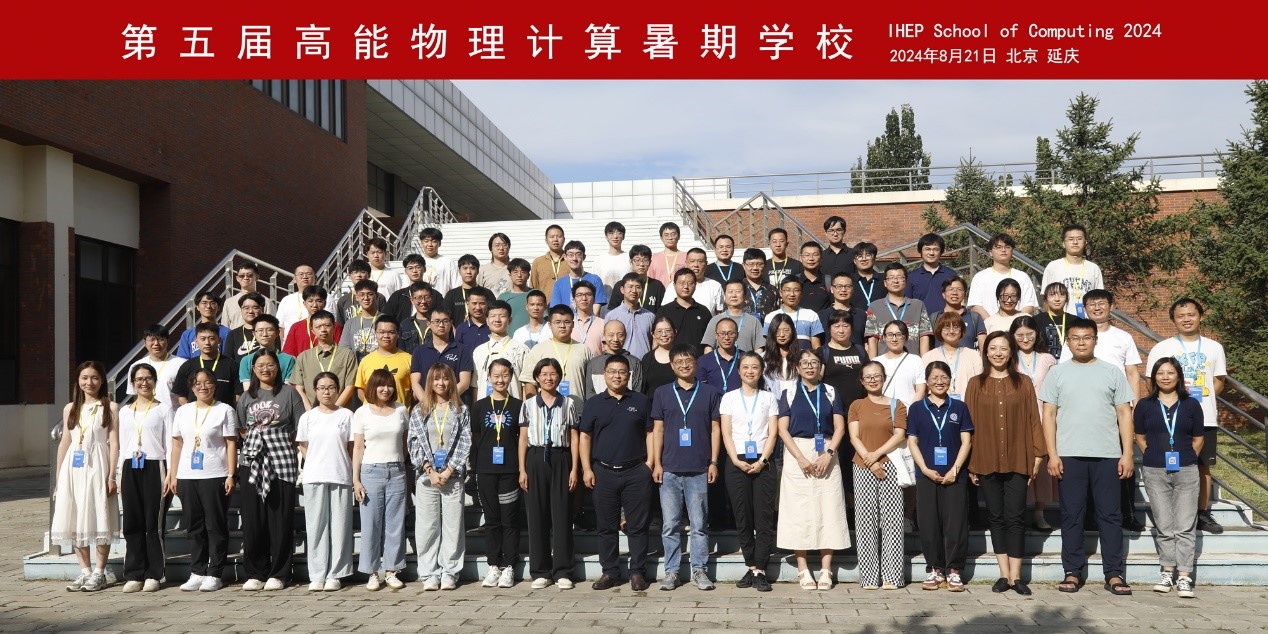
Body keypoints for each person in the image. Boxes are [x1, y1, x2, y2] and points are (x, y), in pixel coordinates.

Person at [1040, 317, 1136, 596]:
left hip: (1107, 455)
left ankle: (1114, 573)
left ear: (1095, 340)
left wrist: (1127, 454)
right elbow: (1048, 415)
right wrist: (1052, 455)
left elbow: (1124, 414)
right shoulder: (1057, 373)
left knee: (1110, 515)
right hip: (1069, 455)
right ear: (1067, 342)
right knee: (1072, 515)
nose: (1081, 343)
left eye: (1086, 337)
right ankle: (1072, 571)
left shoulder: (1112, 372)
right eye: (1075, 338)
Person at [964, 332, 1045, 595]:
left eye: (1003, 348)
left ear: (1011, 352)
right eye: (993, 348)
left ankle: (1017, 576)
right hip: (985, 458)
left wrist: (1037, 455)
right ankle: (1003, 574)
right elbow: (968, 426)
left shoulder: (1023, 382)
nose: (998, 353)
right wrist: (971, 462)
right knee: (995, 517)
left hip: (1018, 457)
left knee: (1016, 516)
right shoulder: (976, 384)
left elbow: (1034, 419)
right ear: (986, 352)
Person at [1058, 289, 1145, 532]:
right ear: (1084, 308)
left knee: (1122, 462)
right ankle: (1089, 516)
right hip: (1083, 411)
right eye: (1092, 304)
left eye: (1102, 303)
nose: (1097, 308)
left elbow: (1132, 373)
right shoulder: (1075, 337)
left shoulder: (1123, 337)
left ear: (1111, 306)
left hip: (1117, 409)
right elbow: (1065, 369)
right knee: (1086, 465)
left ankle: (1127, 514)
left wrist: (1134, 404)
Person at [1144, 297, 1227, 535]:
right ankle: (1169, 512)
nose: (1186, 319)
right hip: (1169, 417)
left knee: (1202, 467)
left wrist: (1196, 402)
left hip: (1204, 416)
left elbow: (1219, 381)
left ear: (1200, 316)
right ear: (1173, 320)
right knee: (1166, 466)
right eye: (1181, 316)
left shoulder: (1214, 347)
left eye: (1191, 314)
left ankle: (1202, 513)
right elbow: (1151, 381)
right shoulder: (1162, 348)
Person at [777, 349, 850, 590]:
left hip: (827, 450)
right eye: (805, 363)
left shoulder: (830, 391)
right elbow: (782, 429)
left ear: (821, 367)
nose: (809, 366)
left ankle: (826, 569)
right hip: (797, 451)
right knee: (798, 509)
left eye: (814, 362)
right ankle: (803, 568)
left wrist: (829, 453)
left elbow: (840, 427)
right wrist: (799, 458)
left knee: (829, 507)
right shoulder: (788, 393)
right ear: (797, 367)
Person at [581, 354, 655, 591]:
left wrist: (650, 463)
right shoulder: (593, 403)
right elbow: (585, 437)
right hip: (603, 472)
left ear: (629, 375)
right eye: (612, 371)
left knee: (637, 526)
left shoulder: (641, 401)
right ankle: (610, 572)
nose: (617, 376)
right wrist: (586, 468)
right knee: (606, 526)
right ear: (604, 375)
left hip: (636, 472)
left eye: (622, 372)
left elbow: (650, 433)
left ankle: (637, 572)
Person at [651, 344, 721, 591]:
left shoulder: (710, 392)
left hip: (699, 468)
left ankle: (699, 570)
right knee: (670, 524)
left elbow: (715, 429)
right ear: (672, 365)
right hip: (669, 468)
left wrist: (713, 462)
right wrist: (657, 463)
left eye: (688, 360)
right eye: (678, 361)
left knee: (699, 524)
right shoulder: (662, 393)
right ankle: (671, 572)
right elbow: (657, 430)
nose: (684, 365)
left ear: (696, 363)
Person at [235, 349, 304, 591]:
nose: (266, 369)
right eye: (260, 365)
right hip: (252, 461)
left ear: (278, 367)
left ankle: (280, 573)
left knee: (280, 518)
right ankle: (256, 572)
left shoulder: (289, 393)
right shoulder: (247, 396)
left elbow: (299, 427)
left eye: (270, 364)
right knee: (253, 519)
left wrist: (278, 443)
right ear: (253, 369)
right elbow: (242, 428)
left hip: (281, 460)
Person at [1135, 357, 1204, 599]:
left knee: (1185, 525)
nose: (1165, 377)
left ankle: (1184, 576)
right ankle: (1167, 571)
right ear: (1154, 377)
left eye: (1170, 372)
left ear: (1179, 376)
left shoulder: (1191, 404)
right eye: (1160, 373)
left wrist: (1186, 457)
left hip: (1186, 469)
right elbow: (1140, 437)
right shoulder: (1145, 405)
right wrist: (1153, 455)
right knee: (1164, 525)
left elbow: (1198, 439)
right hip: (1155, 470)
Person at [166, 368, 238, 593]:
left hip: (214, 474)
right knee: (194, 526)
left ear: (215, 385)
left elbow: (231, 443)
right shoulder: (183, 411)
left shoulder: (224, 410)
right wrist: (173, 474)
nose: (203, 386)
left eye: (208, 382)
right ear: (191, 387)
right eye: (197, 383)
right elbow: (177, 444)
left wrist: (231, 474)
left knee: (215, 525)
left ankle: (215, 573)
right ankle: (197, 571)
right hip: (187, 475)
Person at [53, 361, 121, 593]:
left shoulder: (110, 407)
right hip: (74, 468)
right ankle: (84, 571)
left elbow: (114, 443)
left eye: (94, 378)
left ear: (101, 380)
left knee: (101, 516)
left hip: (98, 465)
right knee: (75, 516)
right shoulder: (70, 408)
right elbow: (65, 443)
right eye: (84, 378)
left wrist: (112, 475)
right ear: (78, 381)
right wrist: (59, 478)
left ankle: (99, 573)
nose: (89, 382)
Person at [907, 361, 973, 592]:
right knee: (929, 523)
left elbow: (966, 441)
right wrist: (925, 469)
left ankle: (954, 570)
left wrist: (955, 469)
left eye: (944, 377)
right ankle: (935, 569)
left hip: (955, 475)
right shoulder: (917, 408)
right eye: (934, 378)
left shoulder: (959, 407)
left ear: (950, 380)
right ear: (927, 381)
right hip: (926, 475)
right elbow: (912, 441)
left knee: (956, 523)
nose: (939, 381)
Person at [518, 358, 582, 590]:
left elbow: (574, 437)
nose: (548, 378)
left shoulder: (569, 403)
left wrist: (574, 469)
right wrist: (522, 469)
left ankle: (563, 570)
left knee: (562, 515)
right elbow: (522, 439)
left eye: (553, 373)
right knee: (537, 515)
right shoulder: (528, 404)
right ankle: (541, 571)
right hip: (535, 458)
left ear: (559, 377)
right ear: (536, 378)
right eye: (544, 374)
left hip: (561, 458)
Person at [408, 363, 473, 591]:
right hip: (427, 478)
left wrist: (448, 470)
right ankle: (429, 574)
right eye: (436, 379)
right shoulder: (420, 410)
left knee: (453, 527)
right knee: (427, 527)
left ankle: (450, 572)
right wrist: (429, 470)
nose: (441, 383)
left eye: (445, 378)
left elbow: (465, 442)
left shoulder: (461, 410)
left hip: (452, 477)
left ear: (452, 381)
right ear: (430, 382)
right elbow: (413, 442)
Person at [718, 352, 778, 592]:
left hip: (763, 461)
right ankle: (750, 565)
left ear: (761, 371)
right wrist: (735, 459)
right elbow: (726, 432)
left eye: (755, 367)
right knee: (742, 516)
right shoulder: (729, 398)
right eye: (745, 367)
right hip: (737, 461)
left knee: (764, 516)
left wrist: (763, 460)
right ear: (739, 371)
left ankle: (761, 569)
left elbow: (773, 433)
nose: (750, 371)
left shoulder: (769, 397)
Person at [848, 361, 908, 590]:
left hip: (890, 464)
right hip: (862, 465)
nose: (873, 380)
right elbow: (854, 437)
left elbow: (899, 435)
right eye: (868, 377)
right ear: (862, 381)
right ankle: (869, 577)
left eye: (877, 376)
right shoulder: (856, 405)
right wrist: (870, 460)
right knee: (865, 521)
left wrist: (877, 455)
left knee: (893, 520)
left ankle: (892, 576)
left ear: (884, 378)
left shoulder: (897, 405)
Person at [296, 372, 355, 592]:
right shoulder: (307, 417)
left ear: (338, 390)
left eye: (331, 387)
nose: (326, 392)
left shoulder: (347, 415)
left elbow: (352, 447)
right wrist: (315, 461)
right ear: (315, 391)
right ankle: (317, 574)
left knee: (340, 527)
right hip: (314, 476)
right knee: (316, 527)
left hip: (340, 474)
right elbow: (304, 446)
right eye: (321, 388)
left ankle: (336, 574)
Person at [352, 369, 410, 591]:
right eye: (381, 385)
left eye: (389, 385)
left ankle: (392, 570)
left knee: (395, 524)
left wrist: (402, 464)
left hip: (396, 470)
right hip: (371, 471)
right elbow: (358, 447)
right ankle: (372, 572)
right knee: (371, 524)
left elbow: (405, 443)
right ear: (372, 387)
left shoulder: (401, 410)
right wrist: (356, 479)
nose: (386, 389)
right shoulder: (362, 413)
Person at [117, 363, 171, 592]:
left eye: (148, 378)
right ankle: (134, 573)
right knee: (132, 522)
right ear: (132, 383)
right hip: (130, 466)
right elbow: (122, 445)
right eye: (139, 379)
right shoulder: (124, 411)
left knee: (153, 522)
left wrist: (170, 473)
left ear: (154, 381)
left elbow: (170, 443)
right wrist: (119, 474)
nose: (144, 383)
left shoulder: (163, 409)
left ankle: (154, 573)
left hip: (155, 465)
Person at [472, 359, 523, 589]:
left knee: (509, 519)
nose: (500, 379)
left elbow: (522, 438)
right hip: (486, 470)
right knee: (491, 519)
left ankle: (510, 565)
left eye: (505, 375)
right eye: (496, 375)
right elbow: (476, 437)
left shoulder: (519, 406)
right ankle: (494, 565)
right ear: (489, 377)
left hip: (510, 470)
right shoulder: (479, 406)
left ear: (511, 377)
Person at [1011, 316, 1060, 531]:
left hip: (1043, 418)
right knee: (1018, 466)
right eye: (1020, 335)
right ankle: (1017, 513)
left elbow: (1056, 389)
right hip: (1016, 419)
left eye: (1029, 334)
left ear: (1036, 334)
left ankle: (1040, 513)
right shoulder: (1009, 358)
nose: (1025, 339)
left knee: (1042, 468)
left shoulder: (1047, 359)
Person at [520, 304, 593, 399]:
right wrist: (534, 405)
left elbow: (591, 384)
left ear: (573, 324)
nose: (562, 326)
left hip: (577, 406)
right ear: (550, 325)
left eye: (567, 322)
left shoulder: (583, 349)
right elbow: (529, 382)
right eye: (557, 322)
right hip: (546, 406)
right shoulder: (538, 349)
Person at [290, 310, 358, 410]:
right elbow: (299, 388)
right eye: (318, 327)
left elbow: (350, 386)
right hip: (312, 412)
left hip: (340, 412)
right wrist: (310, 411)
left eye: (327, 326)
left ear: (334, 327)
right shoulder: (304, 357)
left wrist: (335, 410)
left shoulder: (347, 355)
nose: (323, 330)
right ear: (312, 330)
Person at [865, 263, 932, 357]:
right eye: (891, 278)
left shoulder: (918, 305)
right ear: (885, 283)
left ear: (906, 281)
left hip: (911, 361)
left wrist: (924, 361)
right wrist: (873, 363)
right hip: (884, 362)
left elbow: (924, 336)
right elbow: (872, 340)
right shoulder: (874, 306)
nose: (895, 281)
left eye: (900, 277)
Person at [967, 233, 1039, 319]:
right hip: (989, 325)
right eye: (998, 247)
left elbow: (1029, 306)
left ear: (1012, 251)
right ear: (990, 252)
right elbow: (976, 306)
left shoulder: (1022, 277)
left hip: (1017, 325)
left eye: (1007, 247)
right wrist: (993, 323)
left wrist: (1014, 323)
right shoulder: (980, 277)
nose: (1003, 250)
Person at [409, 307, 473, 403]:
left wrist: (444, 403)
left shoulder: (462, 350)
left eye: (445, 321)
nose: (441, 325)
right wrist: (427, 403)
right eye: (437, 321)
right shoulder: (419, 351)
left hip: (454, 405)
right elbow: (415, 383)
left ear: (451, 323)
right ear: (429, 324)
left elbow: (465, 383)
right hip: (427, 406)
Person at [1041, 224, 1104, 318]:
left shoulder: (1093, 268)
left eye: (1079, 239)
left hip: (1087, 321)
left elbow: (1099, 298)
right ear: (1063, 243)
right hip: (1062, 321)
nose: (1075, 242)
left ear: (1085, 242)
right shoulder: (1053, 266)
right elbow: (1045, 298)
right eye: (1071, 239)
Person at [471, 300, 529, 400]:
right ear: (487, 320)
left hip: (513, 407)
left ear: (510, 320)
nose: (497, 320)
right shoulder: (478, 351)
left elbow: (526, 386)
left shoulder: (521, 349)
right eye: (493, 316)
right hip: (485, 408)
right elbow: (475, 386)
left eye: (502, 316)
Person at [921, 313, 984, 400]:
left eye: (955, 327)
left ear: (961, 330)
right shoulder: (928, 357)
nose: (951, 331)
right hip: (937, 406)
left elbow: (980, 384)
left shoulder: (973, 355)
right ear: (940, 330)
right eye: (946, 327)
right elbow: (923, 388)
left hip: (967, 404)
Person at [355, 315, 414, 407]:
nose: (386, 336)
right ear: (375, 334)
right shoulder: (366, 360)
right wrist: (376, 407)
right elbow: (360, 390)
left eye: (391, 332)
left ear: (398, 334)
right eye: (381, 332)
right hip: (372, 413)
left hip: (398, 413)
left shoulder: (409, 359)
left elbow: (414, 390)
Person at [172, 323, 237, 406]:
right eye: (203, 339)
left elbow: (238, 395)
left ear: (219, 340)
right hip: (195, 413)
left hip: (223, 413)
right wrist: (191, 410)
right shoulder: (187, 366)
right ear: (196, 341)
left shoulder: (232, 365)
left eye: (211, 338)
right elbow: (181, 396)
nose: (207, 342)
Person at [584, 320, 646, 398]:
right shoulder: (594, 363)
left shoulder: (634, 363)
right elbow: (589, 393)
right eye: (611, 335)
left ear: (625, 336)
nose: (615, 339)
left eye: (620, 335)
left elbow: (637, 392)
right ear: (604, 336)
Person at [704, 279, 766, 354]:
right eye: (730, 292)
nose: (734, 295)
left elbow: (759, 349)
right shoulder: (715, 320)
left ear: (745, 296)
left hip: (746, 361)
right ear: (725, 295)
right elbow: (708, 348)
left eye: (738, 291)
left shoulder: (754, 321)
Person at [127, 325, 182, 409]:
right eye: (152, 339)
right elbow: (135, 396)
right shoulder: (136, 366)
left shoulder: (181, 363)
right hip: (147, 414)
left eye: (161, 339)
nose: (156, 343)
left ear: (167, 341)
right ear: (145, 342)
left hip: (174, 414)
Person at [658, 268, 712, 350]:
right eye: (681, 283)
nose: (686, 287)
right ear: (674, 285)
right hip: (671, 357)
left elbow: (710, 339)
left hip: (698, 357)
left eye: (690, 283)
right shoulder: (664, 311)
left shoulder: (704, 311)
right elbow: (657, 339)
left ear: (695, 285)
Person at [282, 286, 343, 358]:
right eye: (310, 301)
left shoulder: (334, 326)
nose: (314, 305)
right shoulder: (296, 327)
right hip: (302, 364)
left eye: (319, 301)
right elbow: (288, 355)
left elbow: (340, 352)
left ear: (325, 303)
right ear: (304, 304)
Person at [606, 272, 657, 358]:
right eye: (630, 287)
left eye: (638, 287)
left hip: (645, 363)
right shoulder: (612, 316)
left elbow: (654, 343)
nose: (634, 291)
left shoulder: (650, 316)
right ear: (622, 289)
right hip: (621, 363)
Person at [875, 320, 925, 407]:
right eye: (890, 335)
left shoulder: (915, 360)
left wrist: (911, 409)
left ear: (905, 337)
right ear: (884, 337)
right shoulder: (876, 362)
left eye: (898, 335)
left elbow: (920, 390)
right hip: (882, 411)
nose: (894, 339)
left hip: (908, 410)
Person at [928, 276, 986, 350]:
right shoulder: (934, 318)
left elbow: (983, 346)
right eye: (950, 289)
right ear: (943, 294)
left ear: (964, 293)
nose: (955, 293)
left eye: (959, 289)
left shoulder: (974, 317)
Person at [237, 314, 295, 388]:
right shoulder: (246, 360)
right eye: (260, 330)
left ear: (277, 333)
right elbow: (248, 389)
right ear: (254, 334)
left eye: (269, 330)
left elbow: (287, 389)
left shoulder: (288, 360)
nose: (265, 334)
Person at [765, 277, 825, 348]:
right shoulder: (770, 317)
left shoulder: (811, 315)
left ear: (802, 293)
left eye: (796, 290)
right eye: (788, 290)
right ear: (781, 293)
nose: (792, 294)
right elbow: (768, 345)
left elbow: (816, 345)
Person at [551, 241, 607, 316]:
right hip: (567, 322)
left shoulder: (595, 280)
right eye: (571, 255)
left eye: (578, 254)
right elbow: (557, 310)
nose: (574, 258)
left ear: (584, 257)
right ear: (565, 257)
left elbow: (596, 312)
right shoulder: (559, 283)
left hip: (589, 321)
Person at [605, 244, 666, 313]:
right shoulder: (621, 285)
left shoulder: (657, 286)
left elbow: (663, 311)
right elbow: (613, 311)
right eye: (637, 260)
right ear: (631, 262)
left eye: (645, 260)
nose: (641, 264)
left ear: (650, 263)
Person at [906, 233, 957, 314]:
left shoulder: (951, 275)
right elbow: (907, 304)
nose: (931, 253)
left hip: (945, 319)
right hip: (919, 320)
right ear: (920, 251)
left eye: (936, 249)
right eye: (927, 249)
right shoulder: (911, 277)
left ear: (941, 252)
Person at [384, 254, 437, 325]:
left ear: (424, 269)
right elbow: (387, 318)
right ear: (405, 271)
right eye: (410, 268)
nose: (414, 271)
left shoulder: (435, 295)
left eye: (418, 267)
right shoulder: (398, 296)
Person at [221, 261, 276, 329]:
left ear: (257, 277)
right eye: (242, 276)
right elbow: (225, 328)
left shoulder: (266, 302)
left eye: (249, 275)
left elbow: (271, 327)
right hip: (235, 336)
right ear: (237, 278)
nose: (245, 278)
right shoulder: (229, 302)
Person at [761, 314, 804, 400]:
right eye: (777, 331)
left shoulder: (802, 356)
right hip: (773, 402)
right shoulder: (762, 358)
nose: (782, 335)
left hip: (798, 400)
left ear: (792, 331)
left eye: (786, 330)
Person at [340, 279, 384, 360]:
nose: (366, 298)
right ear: (357, 297)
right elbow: (344, 351)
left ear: (377, 296)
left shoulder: (386, 321)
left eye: (370, 294)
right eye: (362, 295)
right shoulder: (350, 323)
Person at [176, 292, 230, 358]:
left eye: (213, 303)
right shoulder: (188, 334)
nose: (208, 306)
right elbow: (182, 359)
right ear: (197, 307)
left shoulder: (228, 333)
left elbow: (230, 358)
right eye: (204, 303)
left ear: (218, 307)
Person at [818, 274, 867, 348]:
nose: (843, 290)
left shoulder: (862, 315)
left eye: (847, 286)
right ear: (832, 289)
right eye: (839, 286)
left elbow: (867, 343)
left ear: (853, 289)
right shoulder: (821, 316)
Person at [696, 318, 742, 393]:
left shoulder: (745, 358)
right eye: (722, 334)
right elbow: (700, 390)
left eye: (731, 333)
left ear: (737, 335)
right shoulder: (704, 361)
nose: (726, 338)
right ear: (716, 335)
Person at [335, 260, 386, 327]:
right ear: (349, 276)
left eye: (362, 272)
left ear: (369, 275)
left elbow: (385, 322)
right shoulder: (343, 300)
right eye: (355, 272)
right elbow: (340, 326)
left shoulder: (378, 297)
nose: (358, 275)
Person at [444, 254, 490, 324]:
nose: (468, 272)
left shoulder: (487, 293)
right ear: (459, 271)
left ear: (478, 271)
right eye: (465, 268)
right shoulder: (451, 295)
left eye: (472, 268)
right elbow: (446, 318)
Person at [277, 264, 317, 341]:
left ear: (315, 278)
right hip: (290, 343)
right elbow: (280, 326)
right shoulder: (286, 300)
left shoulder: (326, 298)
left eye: (308, 274)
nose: (305, 277)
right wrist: (283, 344)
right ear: (294, 279)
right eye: (301, 274)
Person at [222, 292, 265, 364]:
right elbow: (228, 360)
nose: (250, 311)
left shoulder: (268, 332)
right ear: (241, 310)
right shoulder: (233, 334)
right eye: (246, 308)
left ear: (262, 310)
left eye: (255, 308)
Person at [642, 316, 678, 396]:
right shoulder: (647, 358)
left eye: (668, 331)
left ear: (675, 332)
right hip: (652, 402)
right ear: (653, 334)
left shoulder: (681, 356)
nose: (664, 334)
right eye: (659, 331)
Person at [419, 227, 459, 297]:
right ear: (421, 243)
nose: (430, 244)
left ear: (439, 243)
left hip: (443, 301)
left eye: (434, 241)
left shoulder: (448, 262)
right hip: (421, 302)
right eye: (426, 241)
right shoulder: (416, 263)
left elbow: (456, 285)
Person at [1034, 282, 1070, 360]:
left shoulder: (1075, 321)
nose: (1057, 299)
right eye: (1052, 295)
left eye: (1062, 295)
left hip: (1069, 363)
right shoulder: (1036, 320)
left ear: (1066, 299)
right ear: (1045, 299)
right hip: (1044, 363)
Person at [594, 221, 631, 294]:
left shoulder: (630, 259)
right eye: (611, 233)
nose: (615, 236)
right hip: (604, 300)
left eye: (619, 233)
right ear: (606, 237)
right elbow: (595, 284)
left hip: (625, 300)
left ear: (623, 237)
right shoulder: (599, 260)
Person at [740, 248, 779, 317]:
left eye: (759, 264)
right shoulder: (737, 289)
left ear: (765, 265)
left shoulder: (772, 290)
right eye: (751, 264)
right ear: (743, 265)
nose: (755, 268)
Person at [499, 258, 534, 335]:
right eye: (515, 272)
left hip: (533, 338)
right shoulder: (503, 297)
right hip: (510, 338)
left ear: (528, 275)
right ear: (510, 275)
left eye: (523, 272)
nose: (519, 275)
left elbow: (544, 318)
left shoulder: (535, 295)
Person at [570, 280, 606, 355]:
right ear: (574, 300)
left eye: (588, 294)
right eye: (579, 295)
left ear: (594, 299)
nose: (584, 298)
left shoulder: (603, 324)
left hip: (596, 362)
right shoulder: (568, 323)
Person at [820, 215, 856, 286]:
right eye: (831, 230)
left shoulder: (853, 254)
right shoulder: (821, 256)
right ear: (826, 233)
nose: (835, 234)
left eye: (839, 230)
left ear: (844, 231)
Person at [531, 224, 567, 294]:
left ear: (564, 239)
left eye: (559, 236)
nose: (555, 239)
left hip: (567, 301)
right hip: (545, 301)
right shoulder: (538, 262)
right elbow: (533, 287)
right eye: (551, 237)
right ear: (546, 240)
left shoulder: (571, 261)